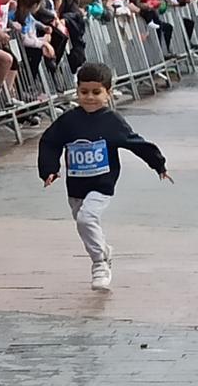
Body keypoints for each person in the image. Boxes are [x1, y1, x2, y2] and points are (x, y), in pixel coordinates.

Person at [36, 61, 169, 293]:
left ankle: (100, 264)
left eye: (96, 92)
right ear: (76, 92)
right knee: (83, 222)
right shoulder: (69, 121)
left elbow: (135, 143)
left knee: (86, 219)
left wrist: (158, 164)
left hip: (102, 184)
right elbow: (50, 142)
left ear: (108, 93)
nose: (89, 98)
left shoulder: (112, 121)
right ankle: (103, 251)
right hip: (76, 187)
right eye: (84, 92)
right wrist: (49, 169)